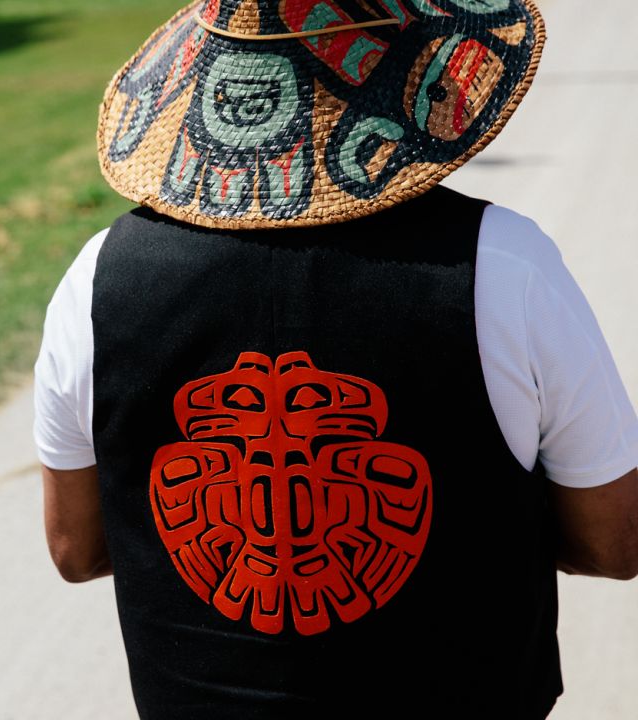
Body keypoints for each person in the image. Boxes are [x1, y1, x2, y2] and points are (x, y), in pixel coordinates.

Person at [34, 0, 638, 717]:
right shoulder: (506, 263)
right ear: (400, 66)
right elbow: (614, 541)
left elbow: (76, 549)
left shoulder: (98, 279)